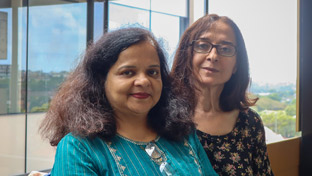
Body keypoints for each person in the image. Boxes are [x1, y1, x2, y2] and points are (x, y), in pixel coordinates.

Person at [40, 27, 217, 176]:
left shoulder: (184, 134)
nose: (144, 81)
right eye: (128, 72)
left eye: (152, 72)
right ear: (102, 80)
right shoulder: (79, 148)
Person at [170, 14, 274, 175]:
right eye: (203, 46)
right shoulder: (165, 118)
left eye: (225, 49)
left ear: (236, 65)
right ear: (187, 55)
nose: (213, 56)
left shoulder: (250, 123)